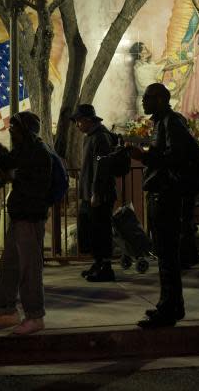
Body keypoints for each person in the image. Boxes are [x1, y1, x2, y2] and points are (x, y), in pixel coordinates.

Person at [128, 83, 199, 328]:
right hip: (162, 194)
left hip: (169, 196)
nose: (144, 101)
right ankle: (167, 303)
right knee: (164, 255)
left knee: (168, 256)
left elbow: (176, 157)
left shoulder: (172, 122)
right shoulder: (162, 123)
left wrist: (144, 156)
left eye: (148, 97)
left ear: (161, 99)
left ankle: (170, 308)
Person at [0, 111, 53, 335]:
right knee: (9, 266)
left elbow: (33, 183)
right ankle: (7, 311)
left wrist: (13, 175)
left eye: (14, 126)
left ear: (26, 129)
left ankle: (35, 316)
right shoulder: (23, 150)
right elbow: (7, 164)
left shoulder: (39, 152)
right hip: (19, 215)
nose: (11, 130)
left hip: (30, 217)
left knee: (29, 269)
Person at [71, 104, 118, 282]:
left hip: (100, 195)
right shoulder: (90, 137)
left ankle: (105, 267)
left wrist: (96, 193)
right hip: (90, 194)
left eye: (78, 121)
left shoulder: (100, 138)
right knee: (92, 230)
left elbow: (101, 167)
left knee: (101, 230)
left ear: (88, 120)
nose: (77, 125)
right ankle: (98, 263)